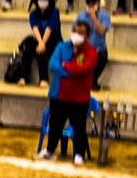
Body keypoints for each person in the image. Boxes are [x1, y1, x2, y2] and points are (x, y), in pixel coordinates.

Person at [40, 19, 98, 166]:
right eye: (75, 31)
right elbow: (53, 65)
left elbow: (85, 69)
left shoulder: (91, 52)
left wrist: (66, 66)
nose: (76, 34)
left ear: (87, 36)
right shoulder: (61, 46)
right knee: (55, 124)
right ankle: (50, 150)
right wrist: (69, 72)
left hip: (79, 97)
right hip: (59, 94)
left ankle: (79, 154)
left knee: (78, 126)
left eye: (81, 32)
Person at [23, 0, 61, 88]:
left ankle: (44, 79)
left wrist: (42, 43)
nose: (42, 2)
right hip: (39, 39)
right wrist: (40, 42)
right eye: (41, 0)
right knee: (28, 50)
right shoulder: (33, 14)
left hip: (53, 41)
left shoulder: (54, 12)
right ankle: (23, 77)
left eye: (45, 0)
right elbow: (35, 29)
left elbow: (49, 29)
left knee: (41, 52)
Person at [77, 0, 111, 91]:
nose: (91, 5)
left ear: (98, 3)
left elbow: (101, 31)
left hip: (98, 47)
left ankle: (92, 80)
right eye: (89, 3)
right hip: (84, 47)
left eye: (94, 2)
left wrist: (94, 18)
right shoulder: (81, 15)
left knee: (103, 56)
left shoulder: (105, 15)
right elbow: (75, 31)